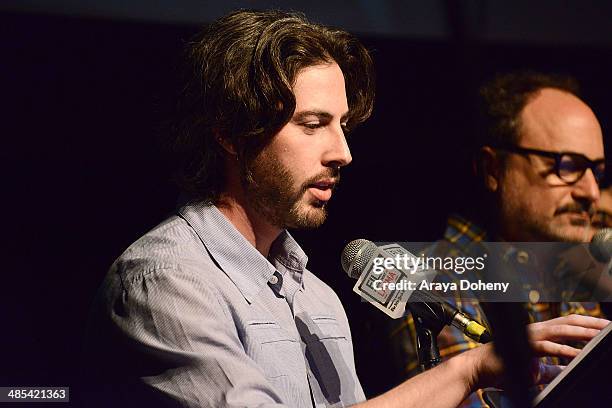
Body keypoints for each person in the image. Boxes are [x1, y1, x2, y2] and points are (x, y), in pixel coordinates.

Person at [83, 14, 609, 408]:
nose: (343, 152)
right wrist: (469, 369)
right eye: (313, 124)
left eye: (343, 126)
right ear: (231, 132)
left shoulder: (318, 298)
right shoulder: (166, 281)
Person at [390, 72, 608, 407]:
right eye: (567, 165)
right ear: (493, 169)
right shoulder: (427, 278)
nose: (590, 192)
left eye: (597, 171)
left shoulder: (574, 273)